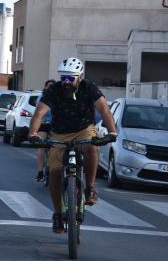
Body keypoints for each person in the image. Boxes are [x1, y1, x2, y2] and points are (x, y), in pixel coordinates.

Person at [28, 58, 117, 234]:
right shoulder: (54, 89)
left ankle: (90, 187)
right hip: (59, 132)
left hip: (84, 128)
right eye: (64, 78)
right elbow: (39, 112)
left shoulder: (89, 88)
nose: (66, 82)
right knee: (54, 172)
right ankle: (57, 213)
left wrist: (112, 132)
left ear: (80, 77)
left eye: (70, 78)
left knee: (92, 147)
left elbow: (104, 110)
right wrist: (33, 133)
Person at [35, 79, 55, 182]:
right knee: (41, 145)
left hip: (55, 125)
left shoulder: (59, 97)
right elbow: (38, 112)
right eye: (48, 86)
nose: (50, 88)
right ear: (45, 87)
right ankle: (40, 172)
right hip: (44, 124)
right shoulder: (41, 98)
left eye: (53, 86)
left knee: (57, 146)